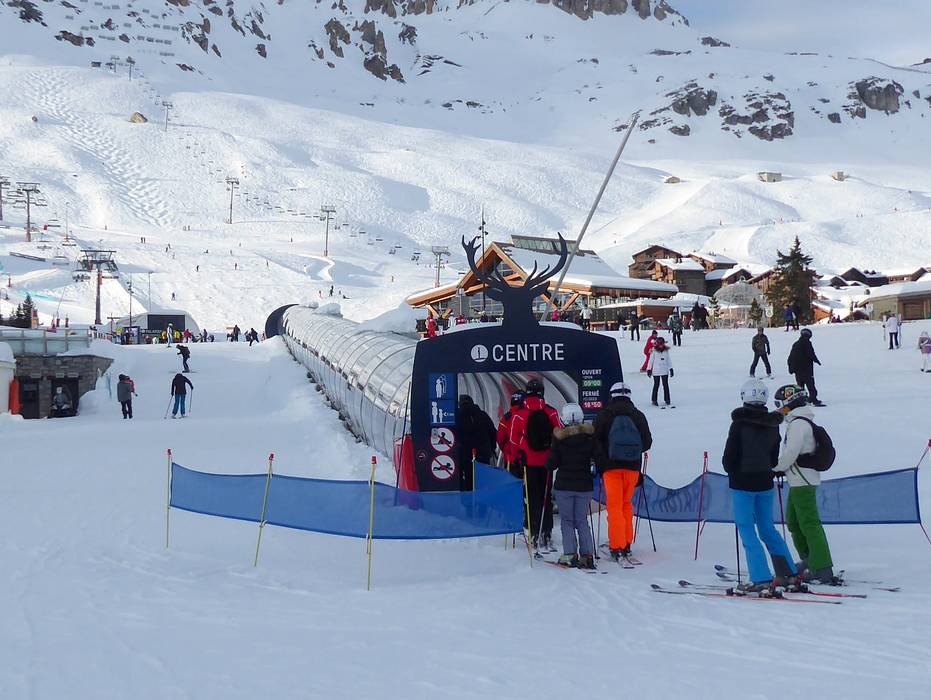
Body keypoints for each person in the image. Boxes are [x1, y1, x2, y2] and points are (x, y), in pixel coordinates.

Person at [722, 379, 798, 593]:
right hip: (765, 483)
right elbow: (773, 458)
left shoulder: (739, 424)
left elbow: (729, 457)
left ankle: (761, 577)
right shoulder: (773, 425)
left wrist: (732, 470)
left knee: (747, 529)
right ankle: (788, 573)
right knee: (767, 528)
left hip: (742, 483)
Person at [773, 384, 835, 584]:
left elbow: (791, 452)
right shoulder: (797, 422)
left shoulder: (798, 424)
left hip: (803, 480)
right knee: (793, 521)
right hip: (797, 480)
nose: (779, 409)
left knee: (809, 523)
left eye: (780, 404)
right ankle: (810, 558)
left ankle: (822, 566)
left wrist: (776, 468)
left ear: (789, 403)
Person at [592, 382, 652, 562]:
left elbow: (595, 442)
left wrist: (601, 463)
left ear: (612, 395)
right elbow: (647, 443)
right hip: (632, 468)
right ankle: (626, 543)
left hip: (611, 468)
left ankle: (616, 545)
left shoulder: (604, 415)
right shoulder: (638, 415)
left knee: (614, 506)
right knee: (626, 504)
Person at [509, 378, 561, 551]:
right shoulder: (551, 412)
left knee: (531, 498)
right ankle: (547, 532)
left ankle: (534, 532)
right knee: (546, 497)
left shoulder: (519, 414)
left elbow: (513, 440)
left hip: (528, 462)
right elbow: (560, 433)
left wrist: (514, 459)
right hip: (547, 462)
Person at [545, 403, 597, 569]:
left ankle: (569, 554)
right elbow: (599, 457)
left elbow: (551, 464)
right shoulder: (589, 438)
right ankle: (587, 555)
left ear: (564, 419)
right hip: (584, 485)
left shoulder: (559, 439)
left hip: (564, 486)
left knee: (567, 520)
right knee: (581, 520)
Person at [455, 395, 497, 491]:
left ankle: (470, 498)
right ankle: (482, 498)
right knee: (483, 479)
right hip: (483, 453)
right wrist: (492, 448)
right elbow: (493, 432)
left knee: (469, 479)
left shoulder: (457, 416)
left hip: (466, 454)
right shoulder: (483, 415)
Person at [787, 328, 824, 406]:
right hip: (806, 368)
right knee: (810, 384)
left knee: (800, 385)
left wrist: (791, 367)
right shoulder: (807, 343)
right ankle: (813, 399)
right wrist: (816, 360)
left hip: (797, 369)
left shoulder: (796, 343)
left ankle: (802, 399)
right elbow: (811, 353)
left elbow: (791, 356)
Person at [497, 391, 525, 475]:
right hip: (525, 457)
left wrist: (506, 449)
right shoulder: (526, 416)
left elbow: (500, 438)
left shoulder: (506, 418)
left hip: (510, 458)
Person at [647, 336, 673, 406]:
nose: (661, 346)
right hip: (656, 371)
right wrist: (649, 369)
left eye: (662, 344)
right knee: (656, 385)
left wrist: (671, 368)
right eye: (660, 344)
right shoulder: (653, 351)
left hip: (664, 370)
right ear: (657, 344)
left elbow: (668, 360)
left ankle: (667, 399)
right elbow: (650, 361)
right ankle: (654, 400)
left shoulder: (666, 351)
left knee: (665, 385)